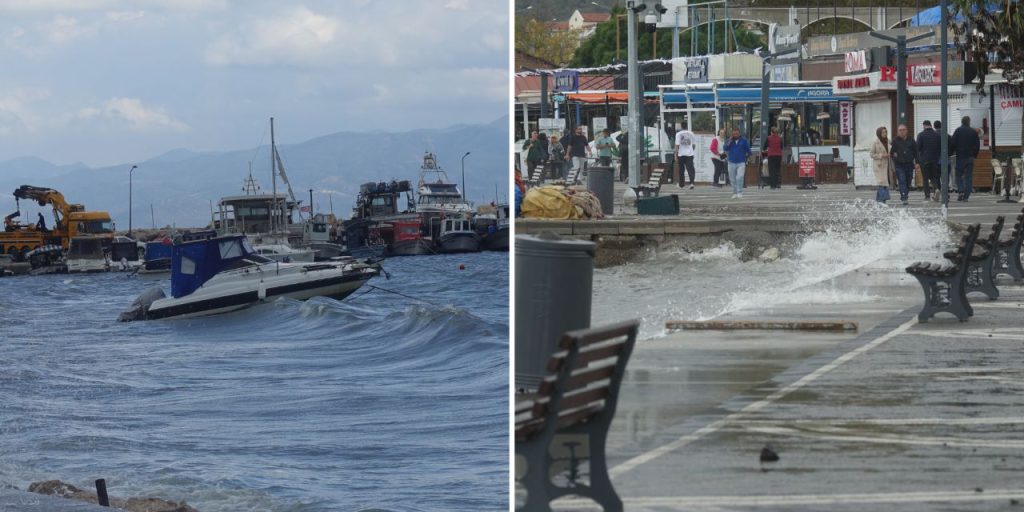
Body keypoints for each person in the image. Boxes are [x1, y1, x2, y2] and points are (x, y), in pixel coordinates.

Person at [950, 115, 981, 202]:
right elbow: (977, 145)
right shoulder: (973, 132)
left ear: (962, 122)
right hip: (970, 157)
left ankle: (961, 191)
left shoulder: (958, 131)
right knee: (968, 177)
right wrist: (974, 155)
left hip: (960, 157)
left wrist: (952, 152)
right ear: (969, 122)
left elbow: (953, 143)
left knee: (958, 175)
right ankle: (966, 196)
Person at [890, 123, 919, 205]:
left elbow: (916, 152)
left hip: (909, 164)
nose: (902, 132)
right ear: (898, 132)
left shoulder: (911, 140)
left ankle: (905, 194)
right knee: (902, 181)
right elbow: (891, 153)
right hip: (899, 165)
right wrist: (894, 155)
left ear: (906, 131)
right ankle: (904, 197)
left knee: (908, 182)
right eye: (900, 130)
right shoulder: (895, 141)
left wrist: (917, 162)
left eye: (903, 130)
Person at [916, 120, 941, 202]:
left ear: (924, 126)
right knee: (934, 177)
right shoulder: (937, 135)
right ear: (931, 125)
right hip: (935, 159)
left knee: (925, 178)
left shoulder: (921, 135)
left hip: (924, 160)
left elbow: (918, 148)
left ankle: (927, 195)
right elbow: (940, 147)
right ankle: (936, 189)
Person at [870, 126, 894, 204]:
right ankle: (883, 200)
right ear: (879, 133)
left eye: (886, 132)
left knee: (884, 183)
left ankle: (879, 200)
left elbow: (892, 151)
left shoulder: (889, 141)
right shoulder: (875, 143)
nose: (885, 134)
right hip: (879, 166)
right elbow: (871, 154)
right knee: (882, 183)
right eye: (883, 132)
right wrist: (881, 155)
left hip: (887, 165)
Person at [724, 128, 751, 199]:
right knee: (732, 178)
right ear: (732, 134)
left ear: (739, 133)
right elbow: (725, 148)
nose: (735, 135)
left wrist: (749, 156)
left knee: (740, 177)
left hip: (741, 162)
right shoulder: (729, 140)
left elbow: (748, 150)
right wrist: (730, 140)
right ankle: (734, 192)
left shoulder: (744, 140)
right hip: (731, 162)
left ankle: (739, 192)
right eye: (734, 134)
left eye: (737, 133)